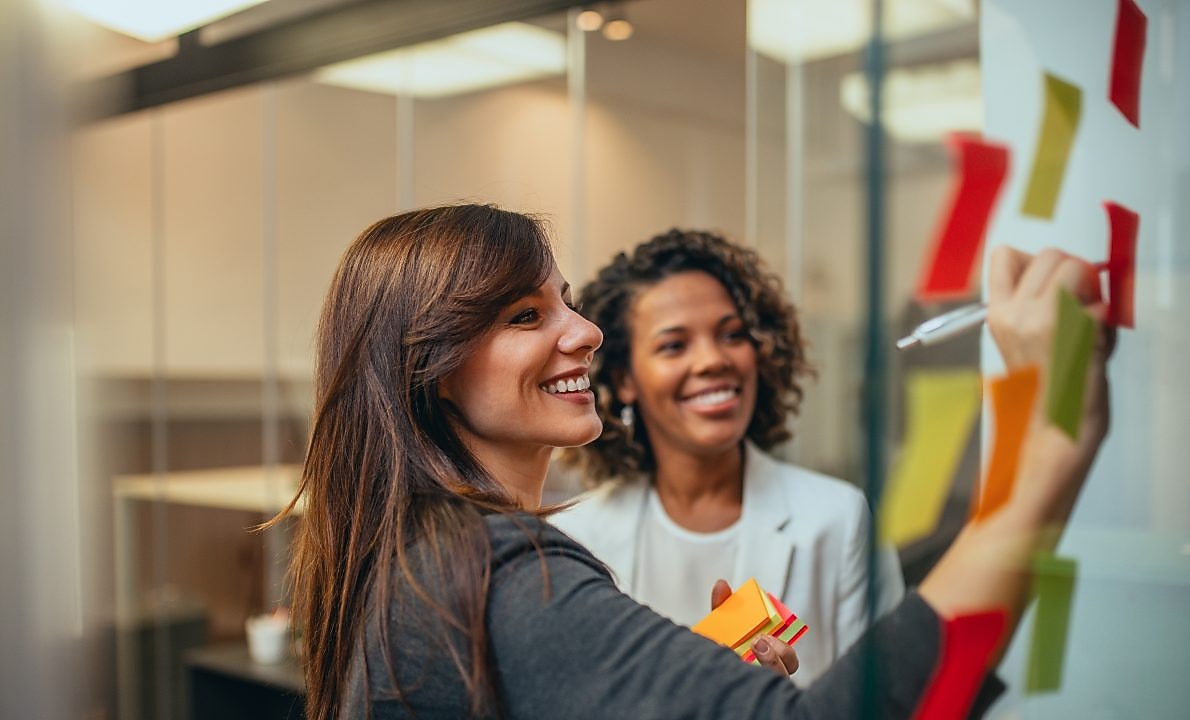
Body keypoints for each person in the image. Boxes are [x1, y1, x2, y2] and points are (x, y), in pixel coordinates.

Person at [272, 203, 1114, 720]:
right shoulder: (496, 571)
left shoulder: (427, 557)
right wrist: (1047, 452)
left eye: (565, 301)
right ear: (434, 366)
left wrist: (701, 693)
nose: (586, 333)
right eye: (526, 316)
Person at [552, 230, 904, 686]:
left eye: (732, 334)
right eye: (674, 345)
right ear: (623, 380)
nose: (714, 360)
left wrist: (777, 709)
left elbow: (896, 699)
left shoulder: (837, 519)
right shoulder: (574, 537)